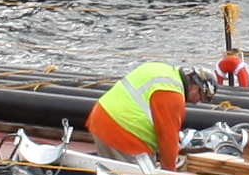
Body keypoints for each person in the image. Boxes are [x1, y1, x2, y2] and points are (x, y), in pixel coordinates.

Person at [85, 60, 215, 167]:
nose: (197, 103)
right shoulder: (173, 94)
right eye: (202, 97)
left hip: (101, 118)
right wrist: (169, 174)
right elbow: (167, 138)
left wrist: (178, 146)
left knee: (110, 174)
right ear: (195, 88)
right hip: (123, 134)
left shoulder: (162, 70)